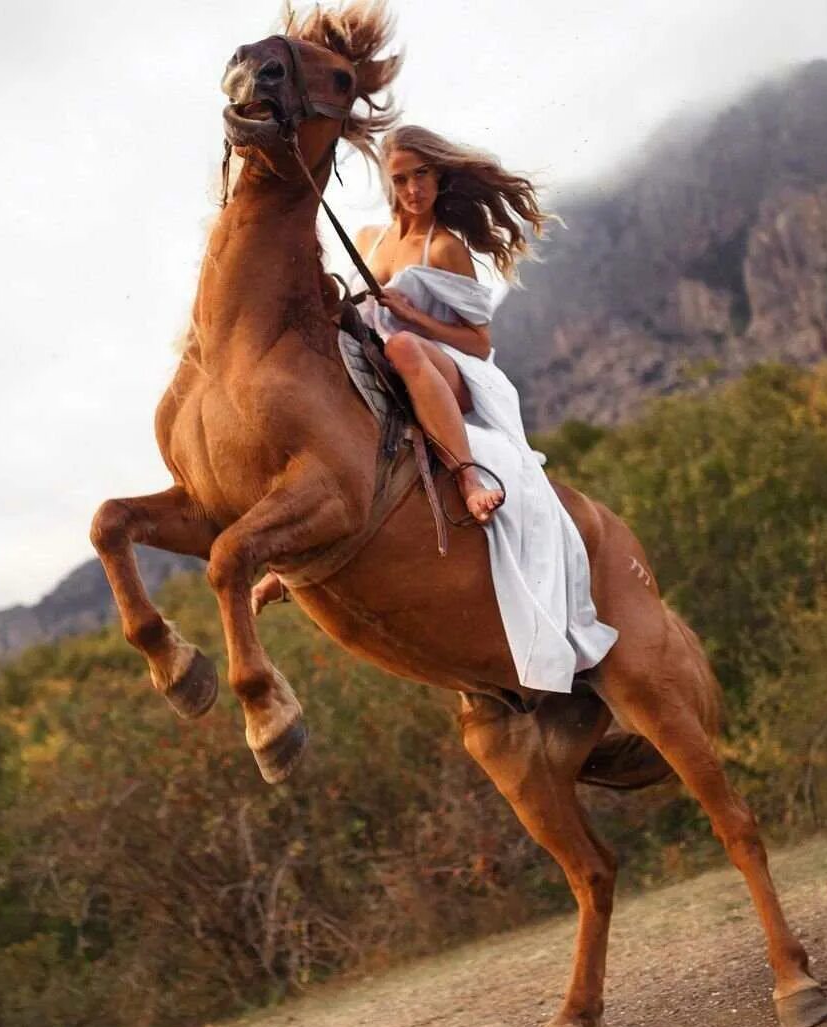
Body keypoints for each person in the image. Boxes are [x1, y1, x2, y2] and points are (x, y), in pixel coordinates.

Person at [250, 125, 619, 697]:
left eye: (421, 175)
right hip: (381, 360)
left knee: (400, 346)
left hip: (450, 369)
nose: (413, 189)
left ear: (438, 177)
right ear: (388, 184)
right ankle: (293, 557)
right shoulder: (370, 239)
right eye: (400, 179)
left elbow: (477, 341)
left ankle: (468, 474)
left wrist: (408, 314)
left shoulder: (444, 247)